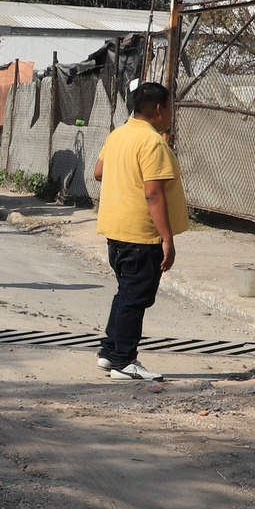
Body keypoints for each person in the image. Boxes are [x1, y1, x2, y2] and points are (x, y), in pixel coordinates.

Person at [91, 81, 188, 380]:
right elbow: (153, 194)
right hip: (141, 233)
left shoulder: (118, 134)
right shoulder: (153, 142)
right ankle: (124, 361)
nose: (171, 114)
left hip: (116, 230)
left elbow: (98, 172)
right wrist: (167, 238)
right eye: (170, 108)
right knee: (135, 298)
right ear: (159, 109)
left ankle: (109, 352)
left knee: (126, 294)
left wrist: (124, 175)